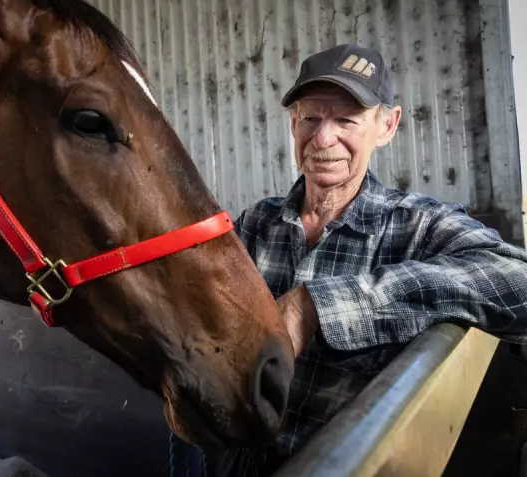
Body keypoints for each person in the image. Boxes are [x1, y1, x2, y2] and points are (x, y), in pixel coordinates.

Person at [169, 44, 527, 476]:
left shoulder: (416, 225)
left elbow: (518, 282)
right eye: (311, 118)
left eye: (346, 120)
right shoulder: (254, 225)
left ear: (387, 125)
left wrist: (316, 306)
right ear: (293, 123)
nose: (323, 139)